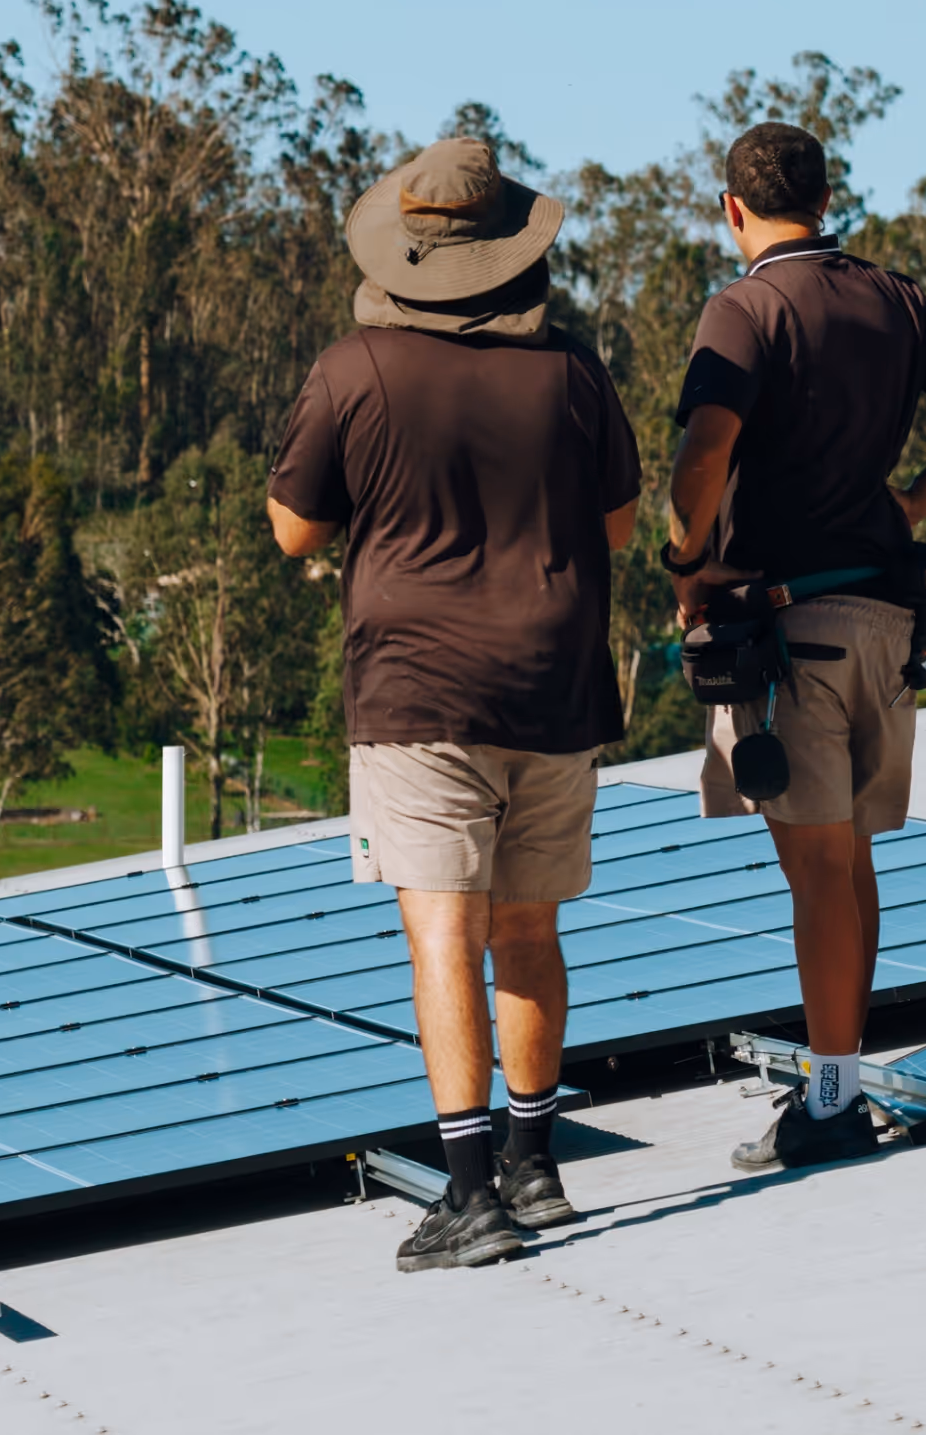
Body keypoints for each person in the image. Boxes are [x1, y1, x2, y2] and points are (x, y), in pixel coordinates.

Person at [266, 136, 641, 1271]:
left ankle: (469, 1190)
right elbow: (618, 524)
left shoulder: (354, 367)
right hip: (556, 681)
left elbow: (293, 529)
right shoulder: (574, 371)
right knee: (531, 926)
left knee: (444, 932)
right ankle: (537, 1162)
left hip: (419, 690)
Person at [665, 121, 926, 1171]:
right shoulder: (892, 296)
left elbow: (705, 448)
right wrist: (913, 500)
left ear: (732, 209)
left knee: (817, 868)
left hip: (791, 630)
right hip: (883, 618)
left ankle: (828, 1100)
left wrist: (686, 560)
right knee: (850, 858)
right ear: (825, 198)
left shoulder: (743, 309)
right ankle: (842, 1075)